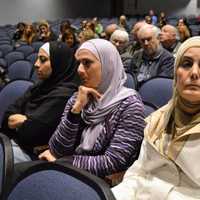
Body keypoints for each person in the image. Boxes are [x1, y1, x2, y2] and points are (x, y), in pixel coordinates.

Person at [39, 39, 145, 177]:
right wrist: (75, 111)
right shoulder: (78, 97)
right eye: (79, 63)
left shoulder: (130, 105)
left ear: (108, 66)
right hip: (67, 171)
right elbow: (57, 148)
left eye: (87, 63)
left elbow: (113, 161)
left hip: (99, 183)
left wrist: (63, 163)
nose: (79, 70)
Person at [112, 36, 200, 200]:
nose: (194, 73)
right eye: (186, 64)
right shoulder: (158, 119)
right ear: (176, 74)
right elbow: (138, 173)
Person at [1, 41, 80, 163]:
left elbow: (32, 134)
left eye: (43, 60)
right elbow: (8, 116)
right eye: (38, 59)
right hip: (15, 144)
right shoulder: (39, 86)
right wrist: (25, 122)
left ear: (58, 63)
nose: (36, 64)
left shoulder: (65, 95)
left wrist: (23, 123)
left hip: (33, 157)